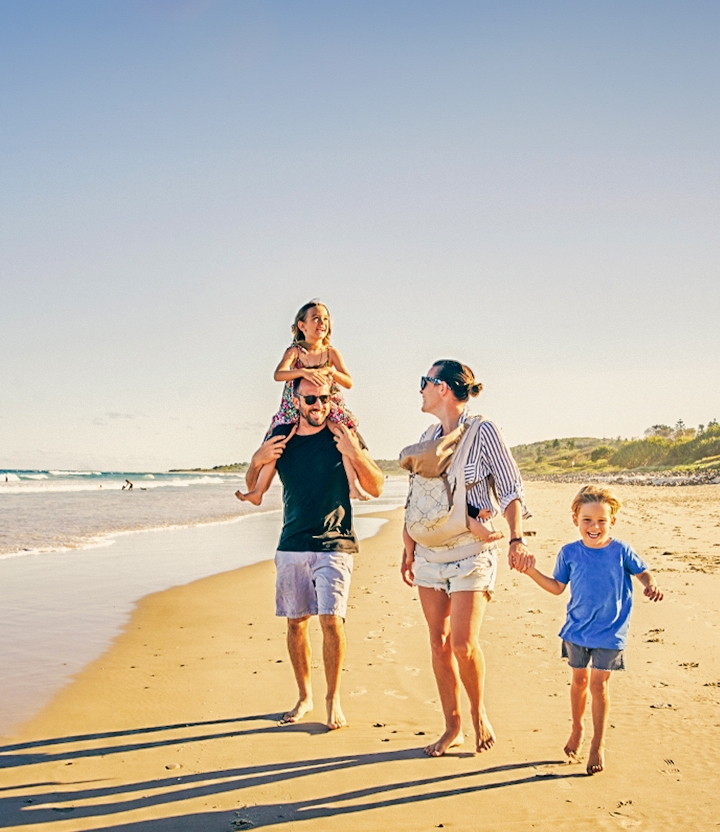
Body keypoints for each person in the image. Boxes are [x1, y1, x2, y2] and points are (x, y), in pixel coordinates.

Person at [400, 359, 532, 757]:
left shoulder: (483, 431)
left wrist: (517, 539)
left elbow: (510, 489)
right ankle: (452, 725)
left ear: (443, 388)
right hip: (428, 554)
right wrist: (407, 546)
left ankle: (478, 713)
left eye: (425, 381)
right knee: (438, 643)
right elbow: (419, 500)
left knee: (462, 645)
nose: (420, 387)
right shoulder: (427, 434)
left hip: (471, 553)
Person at [245, 375, 383, 729]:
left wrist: (354, 453)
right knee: (296, 623)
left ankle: (332, 697)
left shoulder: (343, 434)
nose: (318, 405)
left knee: (331, 620)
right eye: (309, 400)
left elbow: (376, 486)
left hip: (335, 542)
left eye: (323, 398)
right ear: (296, 401)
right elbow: (252, 487)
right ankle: (304, 695)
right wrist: (254, 460)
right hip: (292, 543)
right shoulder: (281, 438)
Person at [519, 485, 663, 775]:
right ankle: (577, 728)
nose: (594, 526)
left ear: (612, 522)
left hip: (611, 631)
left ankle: (598, 742)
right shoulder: (569, 553)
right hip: (577, 631)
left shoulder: (621, 550)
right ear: (575, 520)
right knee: (580, 682)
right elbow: (557, 587)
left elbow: (642, 571)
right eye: (587, 520)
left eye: (601, 521)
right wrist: (530, 571)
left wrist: (650, 583)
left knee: (599, 686)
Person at [235, 299, 369, 504]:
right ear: (302, 325)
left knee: (343, 436)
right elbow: (278, 374)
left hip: (327, 406)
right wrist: (303, 372)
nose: (321, 323)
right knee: (277, 441)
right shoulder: (295, 352)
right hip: (294, 408)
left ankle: (353, 486)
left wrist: (331, 371)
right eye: (315, 319)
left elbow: (348, 381)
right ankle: (258, 491)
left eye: (325, 319)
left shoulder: (331, 353)